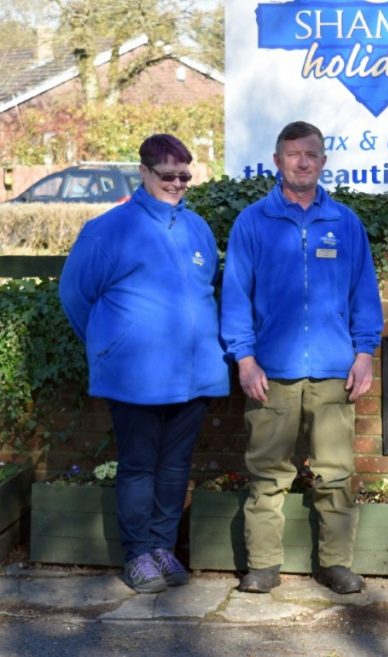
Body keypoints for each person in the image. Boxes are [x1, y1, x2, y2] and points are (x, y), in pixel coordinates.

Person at [59, 134, 229, 593]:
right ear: (144, 173)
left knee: (175, 468)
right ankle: (137, 555)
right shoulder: (107, 230)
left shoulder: (197, 227)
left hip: (193, 376)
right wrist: (110, 346)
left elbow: (205, 286)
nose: (177, 183)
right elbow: (75, 296)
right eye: (167, 175)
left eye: (184, 176)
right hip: (135, 377)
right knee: (138, 467)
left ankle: (162, 549)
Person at [221, 121, 383, 595]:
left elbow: (364, 294)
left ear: (323, 161)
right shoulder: (253, 222)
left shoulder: (345, 222)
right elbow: (234, 297)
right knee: (267, 474)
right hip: (272, 373)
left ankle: (335, 564)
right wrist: (245, 359)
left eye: (311, 153)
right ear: (277, 161)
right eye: (293, 154)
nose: (302, 161)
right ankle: (263, 566)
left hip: (335, 370)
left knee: (336, 474)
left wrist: (364, 351)